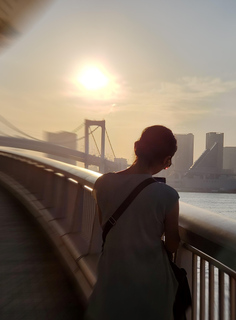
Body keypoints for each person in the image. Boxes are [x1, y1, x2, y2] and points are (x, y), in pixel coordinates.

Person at [85, 125, 180, 320]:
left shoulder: (103, 183)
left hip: (112, 277)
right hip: (151, 282)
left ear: (138, 147)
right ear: (167, 160)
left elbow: (105, 225)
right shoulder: (167, 195)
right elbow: (172, 244)